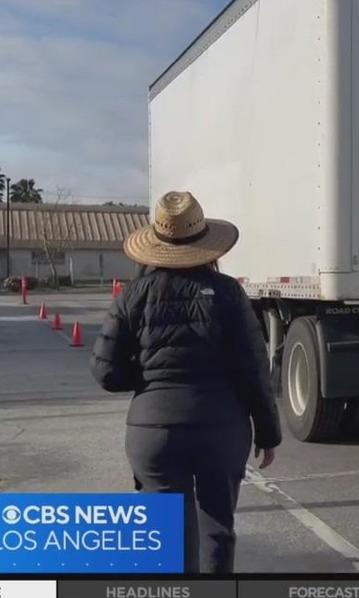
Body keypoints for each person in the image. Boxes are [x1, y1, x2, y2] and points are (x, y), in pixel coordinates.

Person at [91, 191, 281, 574]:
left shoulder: (133, 295)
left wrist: (149, 376)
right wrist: (268, 432)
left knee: (167, 538)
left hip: (153, 432)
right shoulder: (227, 292)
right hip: (221, 428)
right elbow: (253, 369)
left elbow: (106, 372)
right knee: (217, 530)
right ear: (206, 243)